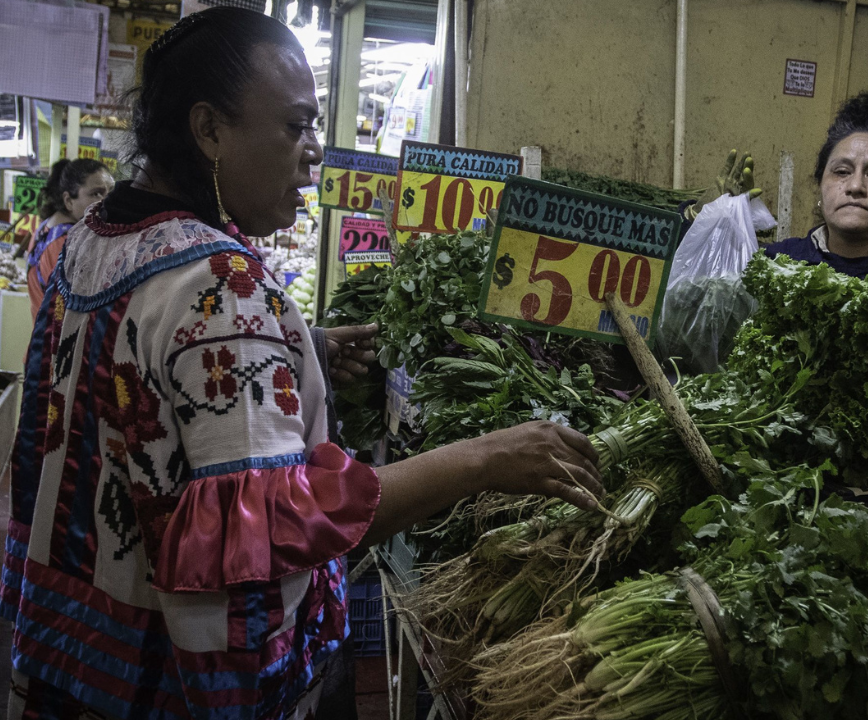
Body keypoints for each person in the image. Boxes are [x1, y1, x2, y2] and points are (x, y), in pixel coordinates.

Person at [3, 8, 602, 720]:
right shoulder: (224, 284)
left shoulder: (89, 242)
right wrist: (482, 461)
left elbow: (133, 389)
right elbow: (278, 525)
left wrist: (300, 348)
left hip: (66, 662)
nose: (314, 151)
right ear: (209, 130)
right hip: (169, 687)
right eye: (296, 126)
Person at [687, 92, 868, 279]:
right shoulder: (778, 264)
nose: (855, 186)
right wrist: (704, 218)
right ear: (820, 183)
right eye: (841, 172)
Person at [24, 158, 114, 317]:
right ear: (68, 200)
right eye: (96, 193)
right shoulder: (68, 245)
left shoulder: (45, 228)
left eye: (110, 192)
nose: (107, 201)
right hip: (57, 339)